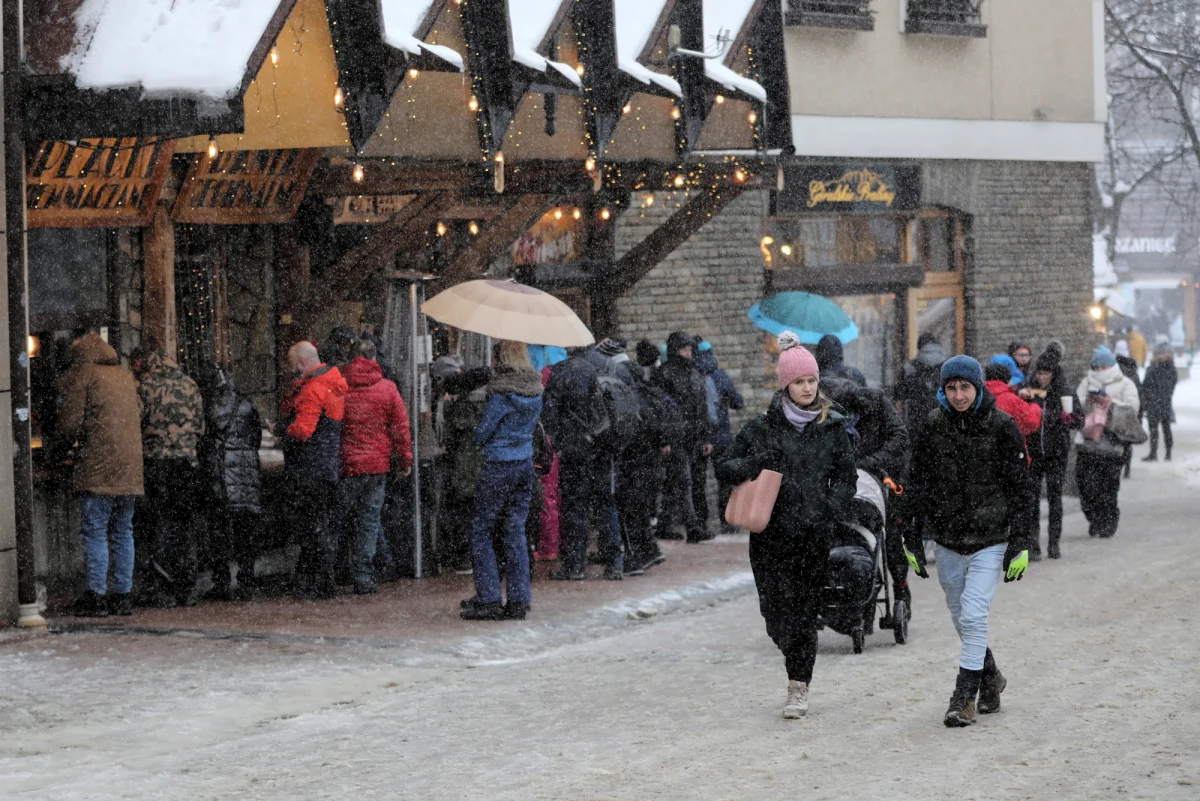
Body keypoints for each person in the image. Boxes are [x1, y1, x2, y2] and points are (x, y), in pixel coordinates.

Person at [715, 332, 857, 719]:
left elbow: (847, 478)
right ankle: (791, 649)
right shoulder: (762, 428)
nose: (807, 388)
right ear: (785, 385)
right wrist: (754, 462)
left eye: (811, 380)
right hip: (770, 535)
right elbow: (723, 467)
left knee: (804, 612)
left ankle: (798, 686)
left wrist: (830, 507)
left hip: (814, 534)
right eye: (799, 382)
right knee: (774, 613)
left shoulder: (832, 427)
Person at [906, 355, 1035, 727]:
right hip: (947, 536)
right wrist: (910, 534)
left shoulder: (1002, 426)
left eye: (965, 387)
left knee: (975, 613)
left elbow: (1021, 488)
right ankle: (991, 676)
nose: (959, 395)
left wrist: (1021, 541)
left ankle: (964, 696)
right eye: (952, 388)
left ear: (977, 387)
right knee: (960, 615)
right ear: (943, 390)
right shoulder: (932, 426)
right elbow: (918, 482)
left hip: (990, 535)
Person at [59, 332, 145, 617]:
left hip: (98, 464)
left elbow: (70, 424)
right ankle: (123, 595)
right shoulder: (124, 376)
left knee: (95, 530)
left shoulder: (82, 374)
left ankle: (95, 595)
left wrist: (66, 444)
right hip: (130, 466)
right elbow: (140, 412)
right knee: (123, 530)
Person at [460, 340, 544, 620]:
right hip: (524, 464)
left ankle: (489, 597)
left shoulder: (501, 394)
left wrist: (477, 435)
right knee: (515, 530)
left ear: (502, 359)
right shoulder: (535, 390)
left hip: (498, 464)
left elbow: (483, 432)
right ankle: (519, 599)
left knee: (481, 530)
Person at [819, 375, 911, 607]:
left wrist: (872, 461)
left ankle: (901, 588)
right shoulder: (821, 414)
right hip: (840, 484)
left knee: (891, 536)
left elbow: (899, 438)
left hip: (881, 479)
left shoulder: (876, 404)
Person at [131, 344, 205, 607]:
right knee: (184, 527)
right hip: (186, 465)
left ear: (142, 363)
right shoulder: (189, 384)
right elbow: (200, 425)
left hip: (155, 465)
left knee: (155, 527)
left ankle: (161, 588)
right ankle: (187, 587)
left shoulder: (144, 386)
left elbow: (134, 424)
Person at [542, 343, 625, 579]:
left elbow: (550, 413)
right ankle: (614, 563)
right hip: (605, 445)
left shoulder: (563, 370)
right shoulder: (610, 364)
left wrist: (558, 442)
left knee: (575, 507)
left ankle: (576, 565)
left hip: (576, 448)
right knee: (606, 504)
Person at [338, 338, 412, 594]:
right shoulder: (388, 388)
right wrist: (405, 461)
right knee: (368, 521)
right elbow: (401, 429)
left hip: (346, 465)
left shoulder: (340, 386)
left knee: (339, 519)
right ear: (374, 358)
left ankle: (330, 571)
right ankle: (363, 575)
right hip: (377, 466)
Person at [279, 341, 347, 598]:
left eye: (292, 364)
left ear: (303, 363)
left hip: (309, 469)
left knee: (310, 528)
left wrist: (280, 429)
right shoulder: (333, 383)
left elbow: (303, 430)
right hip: (327, 466)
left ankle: (315, 583)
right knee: (322, 526)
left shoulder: (312, 389)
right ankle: (318, 580)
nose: (290, 369)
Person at [617, 340, 684, 573]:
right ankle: (650, 551)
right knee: (642, 509)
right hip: (652, 461)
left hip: (635, 460)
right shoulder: (651, 394)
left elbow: (632, 430)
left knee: (632, 510)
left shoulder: (630, 400)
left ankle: (637, 557)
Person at [199, 366, 264, 601]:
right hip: (246, 475)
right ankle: (247, 578)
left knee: (219, 533)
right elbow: (255, 439)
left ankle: (221, 582)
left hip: (220, 475)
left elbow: (203, 440)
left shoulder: (208, 407)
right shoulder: (247, 405)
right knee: (245, 531)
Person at [653, 332, 715, 543]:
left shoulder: (695, 373)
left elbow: (702, 407)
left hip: (693, 435)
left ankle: (664, 523)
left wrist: (706, 437)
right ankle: (692, 526)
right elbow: (661, 409)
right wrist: (665, 438)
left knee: (680, 481)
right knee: (684, 480)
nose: (688, 353)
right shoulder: (664, 374)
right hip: (676, 435)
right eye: (683, 349)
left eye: (689, 349)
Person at [1020, 349, 1081, 560]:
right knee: (1032, 498)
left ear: (1054, 374)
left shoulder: (1065, 391)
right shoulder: (1028, 390)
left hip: (1057, 452)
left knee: (1055, 497)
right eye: (1039, 373)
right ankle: (1033, 544)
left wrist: (1067, 417)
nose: (1042, 377)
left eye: (1046, 374)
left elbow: (1078, 421)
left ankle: (1054, 544)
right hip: (1034, 451)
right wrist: (1023, 398)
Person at [1075, 347, 1139, 539]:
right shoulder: (1086, 383)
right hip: (1087, 443)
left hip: (1113, 443)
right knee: (1086, 486)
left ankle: (1108, 522)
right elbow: (1076, 408)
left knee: (1108, 487)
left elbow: (1132, 409)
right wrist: (1088, 404)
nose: (1101, 369)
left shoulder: (1125, 383)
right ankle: (1094, 517)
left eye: (1105, 365)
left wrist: (1111, 405)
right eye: (1097, 366)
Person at [695, 341, 745, 528]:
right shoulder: (720, 376)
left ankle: (700, 523)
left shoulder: (693, 375)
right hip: (721, 436)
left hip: (699, 437)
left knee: (697, 482)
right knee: (724, 480)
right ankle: (727, 522)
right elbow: (738, 402)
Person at [894, 333, 947, 440]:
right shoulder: (947, 366)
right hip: (942, 416)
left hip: (917, 418)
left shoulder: (910, 367)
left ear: (919, 347)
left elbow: (900, 394)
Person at [1141, 345, 1177, 462]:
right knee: (1166, 428)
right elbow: (1172, 384)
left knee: (1153, 430)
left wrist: (1147, 400)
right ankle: (1168, 453)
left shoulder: (1152, 368)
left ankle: (1153, 453)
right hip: (1165, 402)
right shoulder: (1171, 368)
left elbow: (1145, 386)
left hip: (1153, 403)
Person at [1113, 340, 1143, 479]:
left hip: (1116, 410)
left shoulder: (1113, 371)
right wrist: (1139, 412)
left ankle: (1118, 467)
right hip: (1130, 411)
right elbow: (1139, 393)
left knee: (1116, 440)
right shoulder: (1133, 372)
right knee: (1127, 442)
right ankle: (1127, 468)